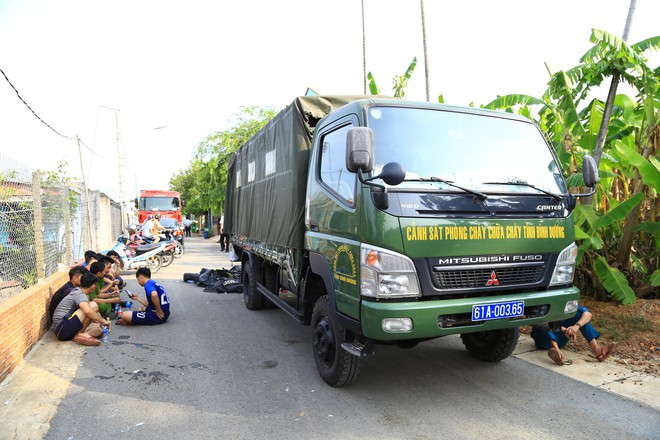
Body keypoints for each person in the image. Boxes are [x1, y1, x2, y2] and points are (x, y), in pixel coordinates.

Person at [531, 305, 616, 365]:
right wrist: (564, 329)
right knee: (547, 321)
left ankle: (597, 350)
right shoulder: (545, 302)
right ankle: (556, 352)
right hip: (543, 339)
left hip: (560, 338)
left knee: (580, 317)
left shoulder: (567, 303)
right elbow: (538, 321)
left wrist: (576, 327)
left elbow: (588, 314)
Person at [52, 272, 110, 346]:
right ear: (93, 286)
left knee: (99, 330)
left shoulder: (78, 291)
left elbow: (92, 314)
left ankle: (81, 336)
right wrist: (103, 321)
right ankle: (80, 334)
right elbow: (88, 311)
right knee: (93, 305)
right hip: (62, 328)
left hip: (64, 329)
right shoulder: (79, 294)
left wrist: (99, 321)